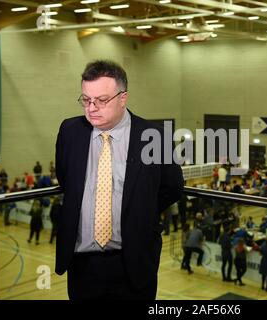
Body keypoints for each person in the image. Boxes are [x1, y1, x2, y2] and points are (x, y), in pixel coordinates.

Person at [54, 60, 184, 300]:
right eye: (86, 99)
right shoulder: (70, 131)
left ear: (122, 98)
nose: (92, 107)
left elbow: (172, 187)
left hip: (133, 263)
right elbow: (66, 179)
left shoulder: (154, 136)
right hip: (82, 265)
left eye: (101, 100)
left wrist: (139, 211)